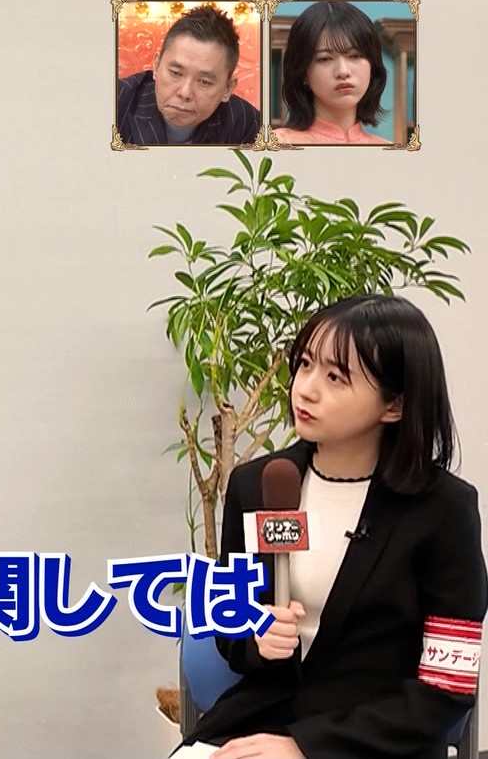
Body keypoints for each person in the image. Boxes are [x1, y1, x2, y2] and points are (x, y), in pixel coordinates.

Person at [179, 295, 486, 759]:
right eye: (304, 365)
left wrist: (306, 748)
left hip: (376, 739)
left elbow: (445, 690)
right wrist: (258, 639)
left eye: (335, 377)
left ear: (394, 405)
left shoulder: (444, 510)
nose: (304, 389)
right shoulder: (257, 485)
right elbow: (231, 629)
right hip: (261, 721)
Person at [116, 4, 262, 145]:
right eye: (176, 73)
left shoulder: (249, 126)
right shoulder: (116, 101)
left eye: (204, 82)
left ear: (227, 88)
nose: (185, 93)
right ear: (156, 65)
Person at [273, 1, 393, 145]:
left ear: (372, 66)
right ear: (303, 73)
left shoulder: (387, 149)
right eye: (325, 59)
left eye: (355, 55)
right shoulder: (279, 144)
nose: (343, 71)